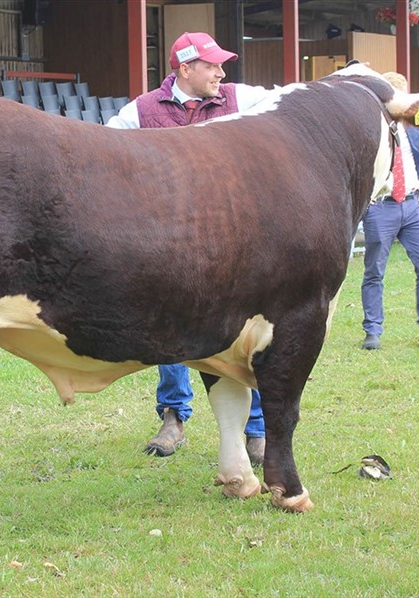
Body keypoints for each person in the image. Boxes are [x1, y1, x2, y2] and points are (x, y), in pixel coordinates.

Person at [107, 32, 273, 464]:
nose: (222, 72)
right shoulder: (140, 111)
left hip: (238, 242)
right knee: (171, 329)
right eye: (212, 65)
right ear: (184, 68)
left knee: (243, 332)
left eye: (222, 65)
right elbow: (104, 154)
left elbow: (288, 104)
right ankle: (173, 416)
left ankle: (256, 429)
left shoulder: (242, 99)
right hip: (172, 244)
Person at [361, 71, 419, 350]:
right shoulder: (370, 124)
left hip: (414, 205)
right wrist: (365, 193)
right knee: (374, 270)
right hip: (381, 207)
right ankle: (373, 331)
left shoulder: (417, 121)